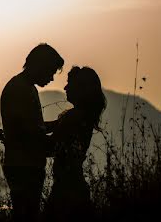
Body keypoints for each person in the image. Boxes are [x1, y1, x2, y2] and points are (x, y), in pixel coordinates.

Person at [0, 43, 64, 221]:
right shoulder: (20, 89)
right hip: (24, 166)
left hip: (24, 164)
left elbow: (31, 126)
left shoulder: (23, 87)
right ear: (40, 66)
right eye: (50, 71)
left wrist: (57, 125)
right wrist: (56, 142)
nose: (51, 78)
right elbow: (29, 133)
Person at [44, 66, 107, 221]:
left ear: (80, 89)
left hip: (66, 191)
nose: (65, 87)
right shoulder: (81, 116)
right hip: (75, 187)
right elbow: (50, 127)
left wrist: (20, 137)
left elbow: (50, 147)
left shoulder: (73, 118)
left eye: (69, 83)